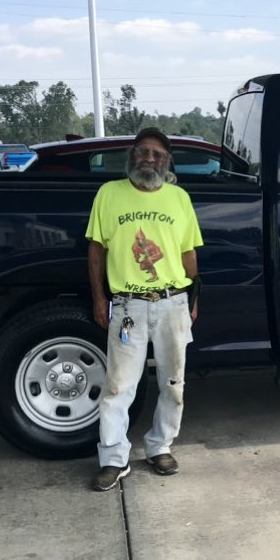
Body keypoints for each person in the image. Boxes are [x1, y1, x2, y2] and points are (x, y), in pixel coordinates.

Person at [85, 127, 203, 491]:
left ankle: (160, 446)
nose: (148, 158)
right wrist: (99, 298)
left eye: (156, 153)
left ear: (167, 161)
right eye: (142, 152)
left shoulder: (179, 198)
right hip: (127, 306)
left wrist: (193, 301)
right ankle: (113, 459)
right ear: (131, 156)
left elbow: (188, 254)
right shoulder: (109, 195)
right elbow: (96, 252)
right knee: (118, 387)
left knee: (173, 383)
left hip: (172, 303)